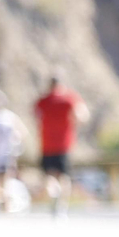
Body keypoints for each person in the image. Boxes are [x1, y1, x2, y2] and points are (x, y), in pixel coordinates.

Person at [33, 76, 89, 216]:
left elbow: (36, 117)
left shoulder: (43, 101)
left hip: (47, 144)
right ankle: (62, 205)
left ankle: (54, 194)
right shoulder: (69, 99)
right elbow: (82, 116)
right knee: (64, 177)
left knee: (49, 176)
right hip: (64, 144)